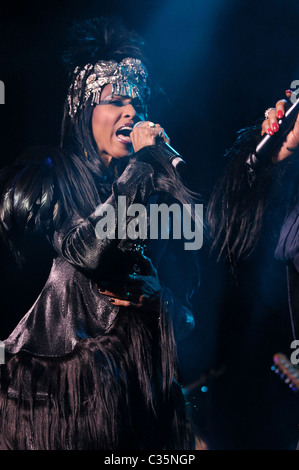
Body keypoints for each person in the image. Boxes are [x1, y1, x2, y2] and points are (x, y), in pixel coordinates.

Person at [0, 17, 200, 450]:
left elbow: (187, 307)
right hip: (59, 402)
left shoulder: (151, 192)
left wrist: (157, 300)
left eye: (138, 104)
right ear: (83, 112)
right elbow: (87, 252)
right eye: (116, 101)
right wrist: (143, 169)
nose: (132, 112)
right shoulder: (50, 175)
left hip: (136, 396)